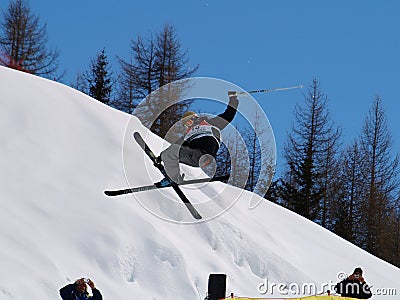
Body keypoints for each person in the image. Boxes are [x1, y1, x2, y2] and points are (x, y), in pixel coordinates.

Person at [156, 91, 239, 187]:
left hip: (205, 154)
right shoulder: (187, 135)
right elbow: (174, 148)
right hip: (193, 156)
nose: (189, 125)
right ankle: (172, 178)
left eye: (190, 121)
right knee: (171, 152)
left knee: (173, 151)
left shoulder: (210, 123)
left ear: (195, 118)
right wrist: (161, 156)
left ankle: (172, 178)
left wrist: (233, 99)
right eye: (186, 124)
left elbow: (228, 114)